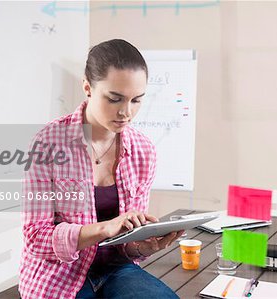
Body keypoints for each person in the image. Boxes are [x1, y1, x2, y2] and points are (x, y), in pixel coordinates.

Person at [18, 39, 184, 299]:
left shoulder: (143, 151)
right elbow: (36, 237)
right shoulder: (47, 144)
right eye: (114, 99)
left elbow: (127, 246)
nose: (126, 112)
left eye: (136, 100)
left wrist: (141, 246)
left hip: (117, 270)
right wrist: (104, 228)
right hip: (58, 274)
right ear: (87, 87)